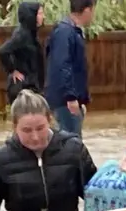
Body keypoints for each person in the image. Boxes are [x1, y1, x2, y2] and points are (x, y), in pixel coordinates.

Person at [43, 0, 96, 137]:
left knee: (71, 140)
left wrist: (81, 99)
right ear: (87, 10)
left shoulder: (70, 31)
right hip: (65, 100)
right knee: (70, 142)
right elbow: (62, 65)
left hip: (69, 99)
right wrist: (70, 97)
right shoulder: (65, 32)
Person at [0, 2, 46, 105]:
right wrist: (12, 70)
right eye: (40, 13)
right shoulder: (22, 34)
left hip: (32, 85)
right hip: (24, 88)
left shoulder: (31, 33)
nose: (43, 16)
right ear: (31, 15)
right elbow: (3, 51)